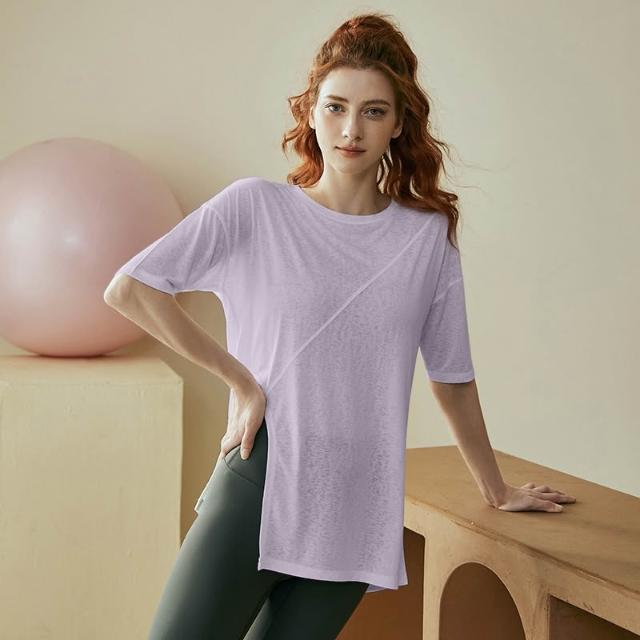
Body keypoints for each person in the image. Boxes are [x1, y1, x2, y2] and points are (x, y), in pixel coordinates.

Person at [104, 11, 576, 640]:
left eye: (374, 112)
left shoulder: (426, 237)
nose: (351, 130)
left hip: (359, 501)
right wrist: (240, 381)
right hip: (263, 474)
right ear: (311, 112)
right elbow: (132, 289)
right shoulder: (257, 207)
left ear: (399, 123)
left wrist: (495, 489)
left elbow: (453, 377)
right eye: (335, 108)